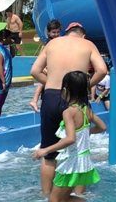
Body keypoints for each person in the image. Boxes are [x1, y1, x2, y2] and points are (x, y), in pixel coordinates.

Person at [30, 21, 108, 198]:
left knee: (49, 152)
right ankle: (78, 196)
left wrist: (50, 83)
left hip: (50, 97)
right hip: (77, 99)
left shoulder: (52, 43)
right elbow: (102, 70)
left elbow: (35, 70)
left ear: (66, 32)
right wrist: (85, 87)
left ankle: (47, 194)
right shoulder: (87, 44)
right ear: (83, 35)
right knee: (80, 148)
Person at [30, 71, 105, 202]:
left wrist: (45, 150)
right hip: (83, 162)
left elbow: (70, 139)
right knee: (65, 199)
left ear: (64, 90)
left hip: (71, 164)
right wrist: (85, 131)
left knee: (54, 200)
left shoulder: (68, 112)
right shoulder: (86, 109)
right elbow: (102, 127)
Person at [30, 19, 63, 113]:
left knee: (44, 87)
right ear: (48, 32)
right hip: (49, 71)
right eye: (54, 32)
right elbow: (43, 57)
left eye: (58, 32)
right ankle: (34, 101)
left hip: (52, 70)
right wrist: (45, 69)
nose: (56, 34)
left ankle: (35, 101)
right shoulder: (49, 44)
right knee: (43, 85)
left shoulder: (56, 42)